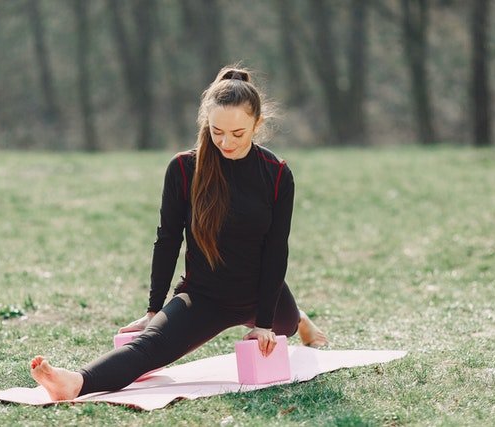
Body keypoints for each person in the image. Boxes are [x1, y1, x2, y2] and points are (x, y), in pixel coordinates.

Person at [30, 65, 327, 401]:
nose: (225, 142)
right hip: (203, 296)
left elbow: (276, 250)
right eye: (217, 132)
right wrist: (154, 309)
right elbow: (167, 239)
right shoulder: (184, 169)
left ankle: (299, 318)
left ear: (257, 125)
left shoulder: (277, 175)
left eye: (238, 133)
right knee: (149, 347)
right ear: (206, 123)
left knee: (284, 326)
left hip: (260, 293)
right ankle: (74, 383)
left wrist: (264, 322)